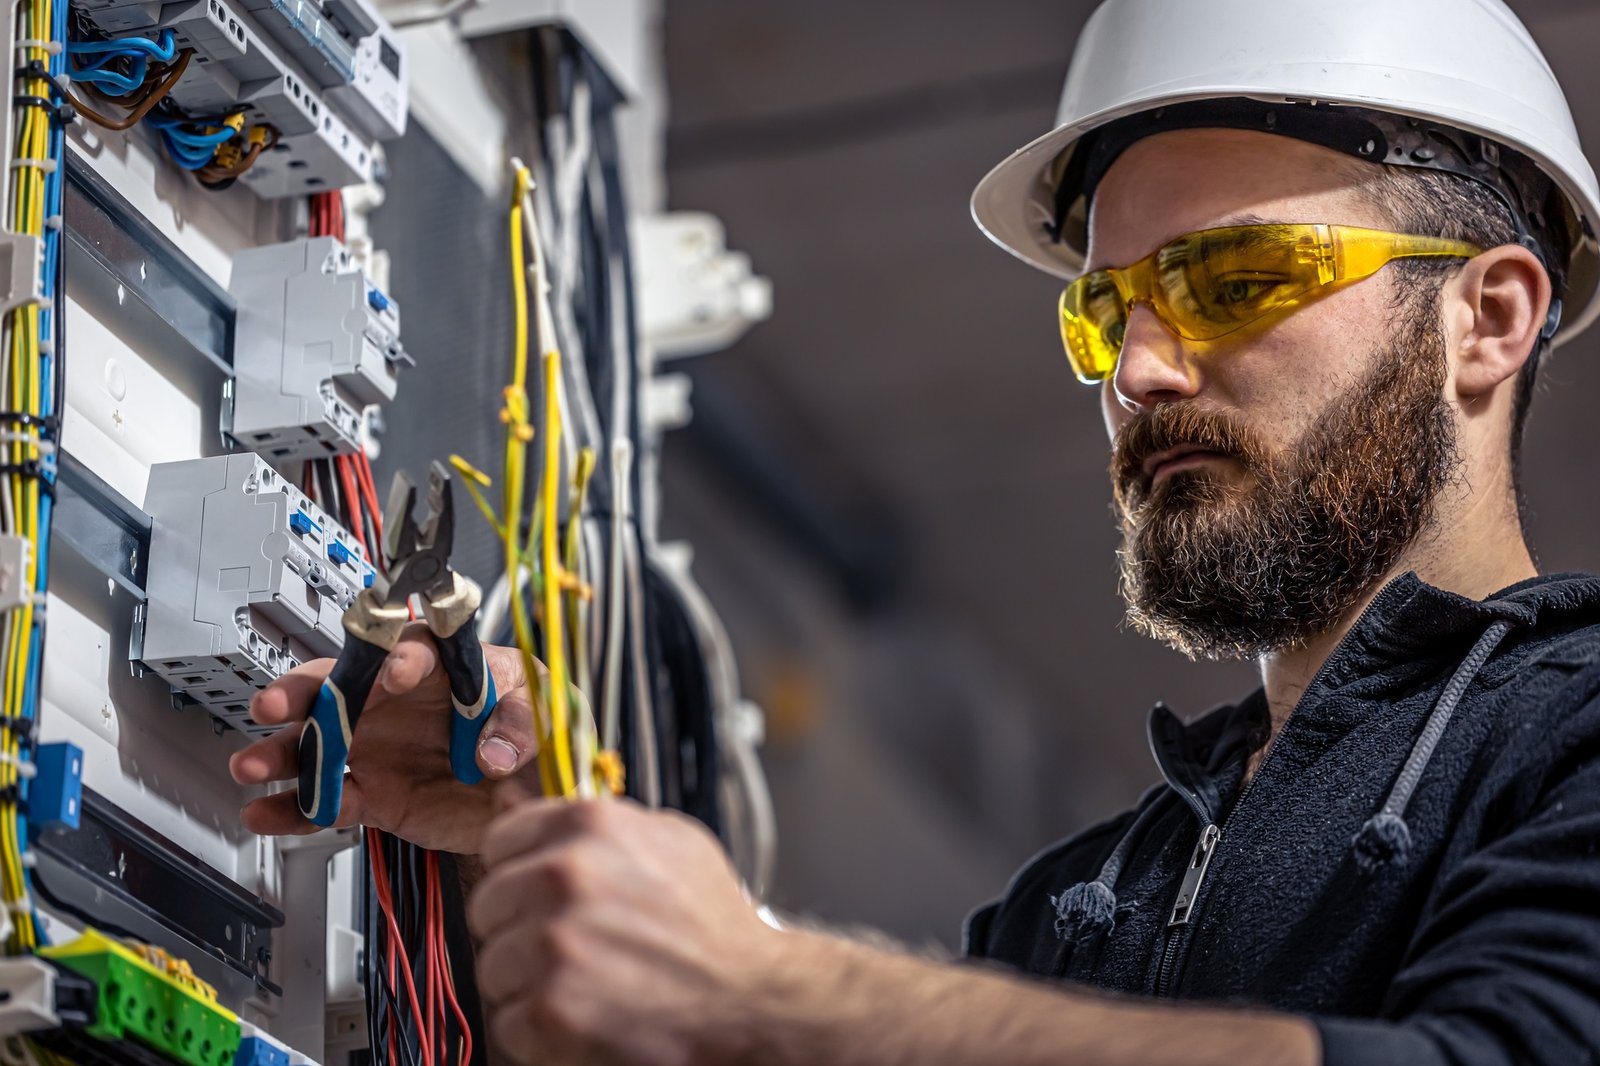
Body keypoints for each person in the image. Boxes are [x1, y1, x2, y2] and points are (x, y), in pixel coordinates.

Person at [229, 0, 1600, 1062]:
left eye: (1234, 276)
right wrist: (520, 856)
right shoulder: (1078, 907)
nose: (1138, 371)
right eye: (1105, 309)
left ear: (1488, 318)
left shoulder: (1568, 740)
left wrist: (767, 987)